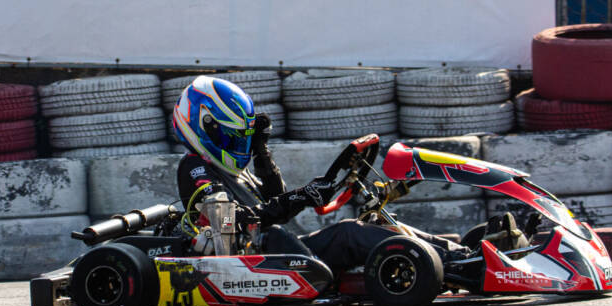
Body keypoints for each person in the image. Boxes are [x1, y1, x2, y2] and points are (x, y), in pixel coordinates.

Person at [170, 75, 497, 276]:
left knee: (372, 223)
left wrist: (261, 150)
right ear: (204, 126)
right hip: (246, 261)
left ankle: (459, 253)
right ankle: (460, 262)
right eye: (234, 137)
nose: (238, 145)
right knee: (347, 233)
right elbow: (229, 225)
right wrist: (299, 197)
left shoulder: (233, 172)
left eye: (243, 137)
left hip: (274, 250)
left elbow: (271, 202)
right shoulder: (195, 168)